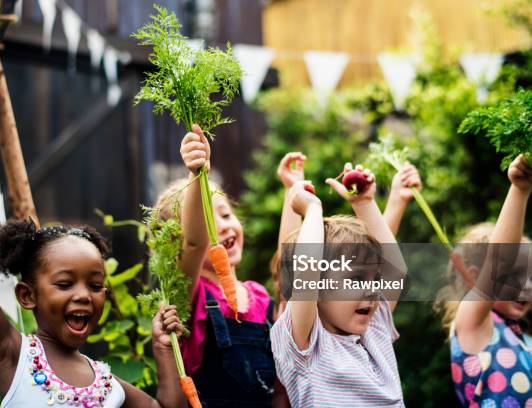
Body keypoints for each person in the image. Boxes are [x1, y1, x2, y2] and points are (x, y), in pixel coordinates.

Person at [0, 135, 186, 408]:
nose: (84, 295)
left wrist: (164, 350)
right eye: (65, 284)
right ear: (27, 296)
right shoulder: (13, 355)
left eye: (95, 286)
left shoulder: (109, 386)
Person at [155, 125, 284, 406]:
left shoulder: (259, 296)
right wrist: (197, 175)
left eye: (226, 214)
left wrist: (291, 192)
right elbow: (195, 243)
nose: (222, 228)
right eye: (209, 220)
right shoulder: (190, 294)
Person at [271, 164, 407, 407]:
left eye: (374, 278)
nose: (372, 290)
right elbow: (308, 269)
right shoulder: (307, 347)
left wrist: (364, 204)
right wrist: (313, 209)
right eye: (356, 279)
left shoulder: (374, 330)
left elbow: (395, 269)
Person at [438, 155, 532, 406]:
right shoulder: (474, 325)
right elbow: (499, 262)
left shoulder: (522, 339)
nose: (529, 286)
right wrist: (519, 190)